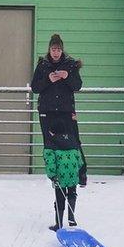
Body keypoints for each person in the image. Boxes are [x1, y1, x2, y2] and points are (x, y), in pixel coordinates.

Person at [31, 33, 88, 185]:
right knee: (50, 143)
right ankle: (54, 175)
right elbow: (35, 87)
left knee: (73, 141)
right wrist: (48, 80)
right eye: (53, 49)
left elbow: (77, 85)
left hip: (66, 111)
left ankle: (81, 173)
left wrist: (67, 76)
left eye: (58, 49)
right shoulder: (43, 65)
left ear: (62, 50)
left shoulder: (70, 64)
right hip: (47, 111)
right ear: (49, 50)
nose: (55, 52)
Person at [43, 117, 84, 231]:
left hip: (59, 176)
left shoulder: (50, 143)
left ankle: (59, 224)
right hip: (72, 175)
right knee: (72, 194)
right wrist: (77, 170)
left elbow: (50, 161)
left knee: (60, 198)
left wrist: (52, 175)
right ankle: (71, 219)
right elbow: (79, 161)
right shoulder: (73, 140)